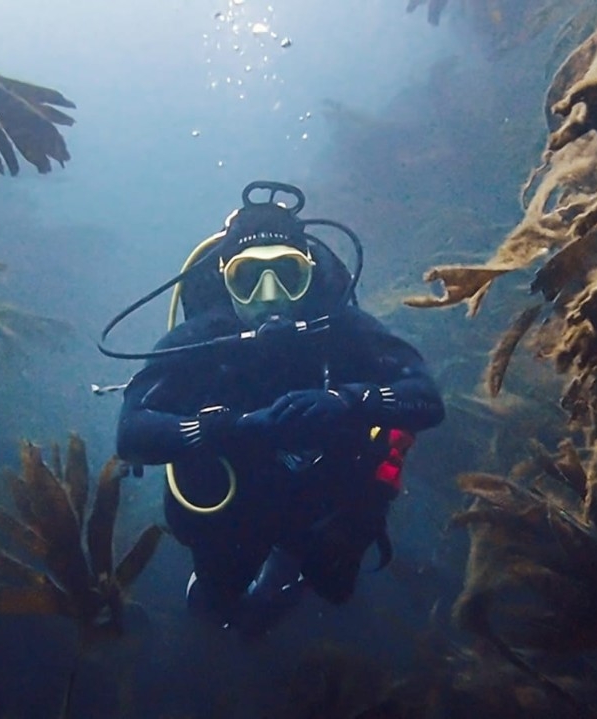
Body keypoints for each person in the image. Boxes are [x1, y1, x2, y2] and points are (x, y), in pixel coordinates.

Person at [104, 181, 444, 634]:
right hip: (233, 509)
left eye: (287, 274)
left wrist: (348, 401)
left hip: (325, 499)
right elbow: (132, 432)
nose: (269, 295)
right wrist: (229, 428)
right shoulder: (201, 339)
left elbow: (425, 397)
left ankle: (285, 571)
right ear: (225, 276)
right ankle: (259, 589)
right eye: (248, 277)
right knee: (212, 608)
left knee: (335, 589)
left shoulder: (340, 325)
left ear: (308, 272)